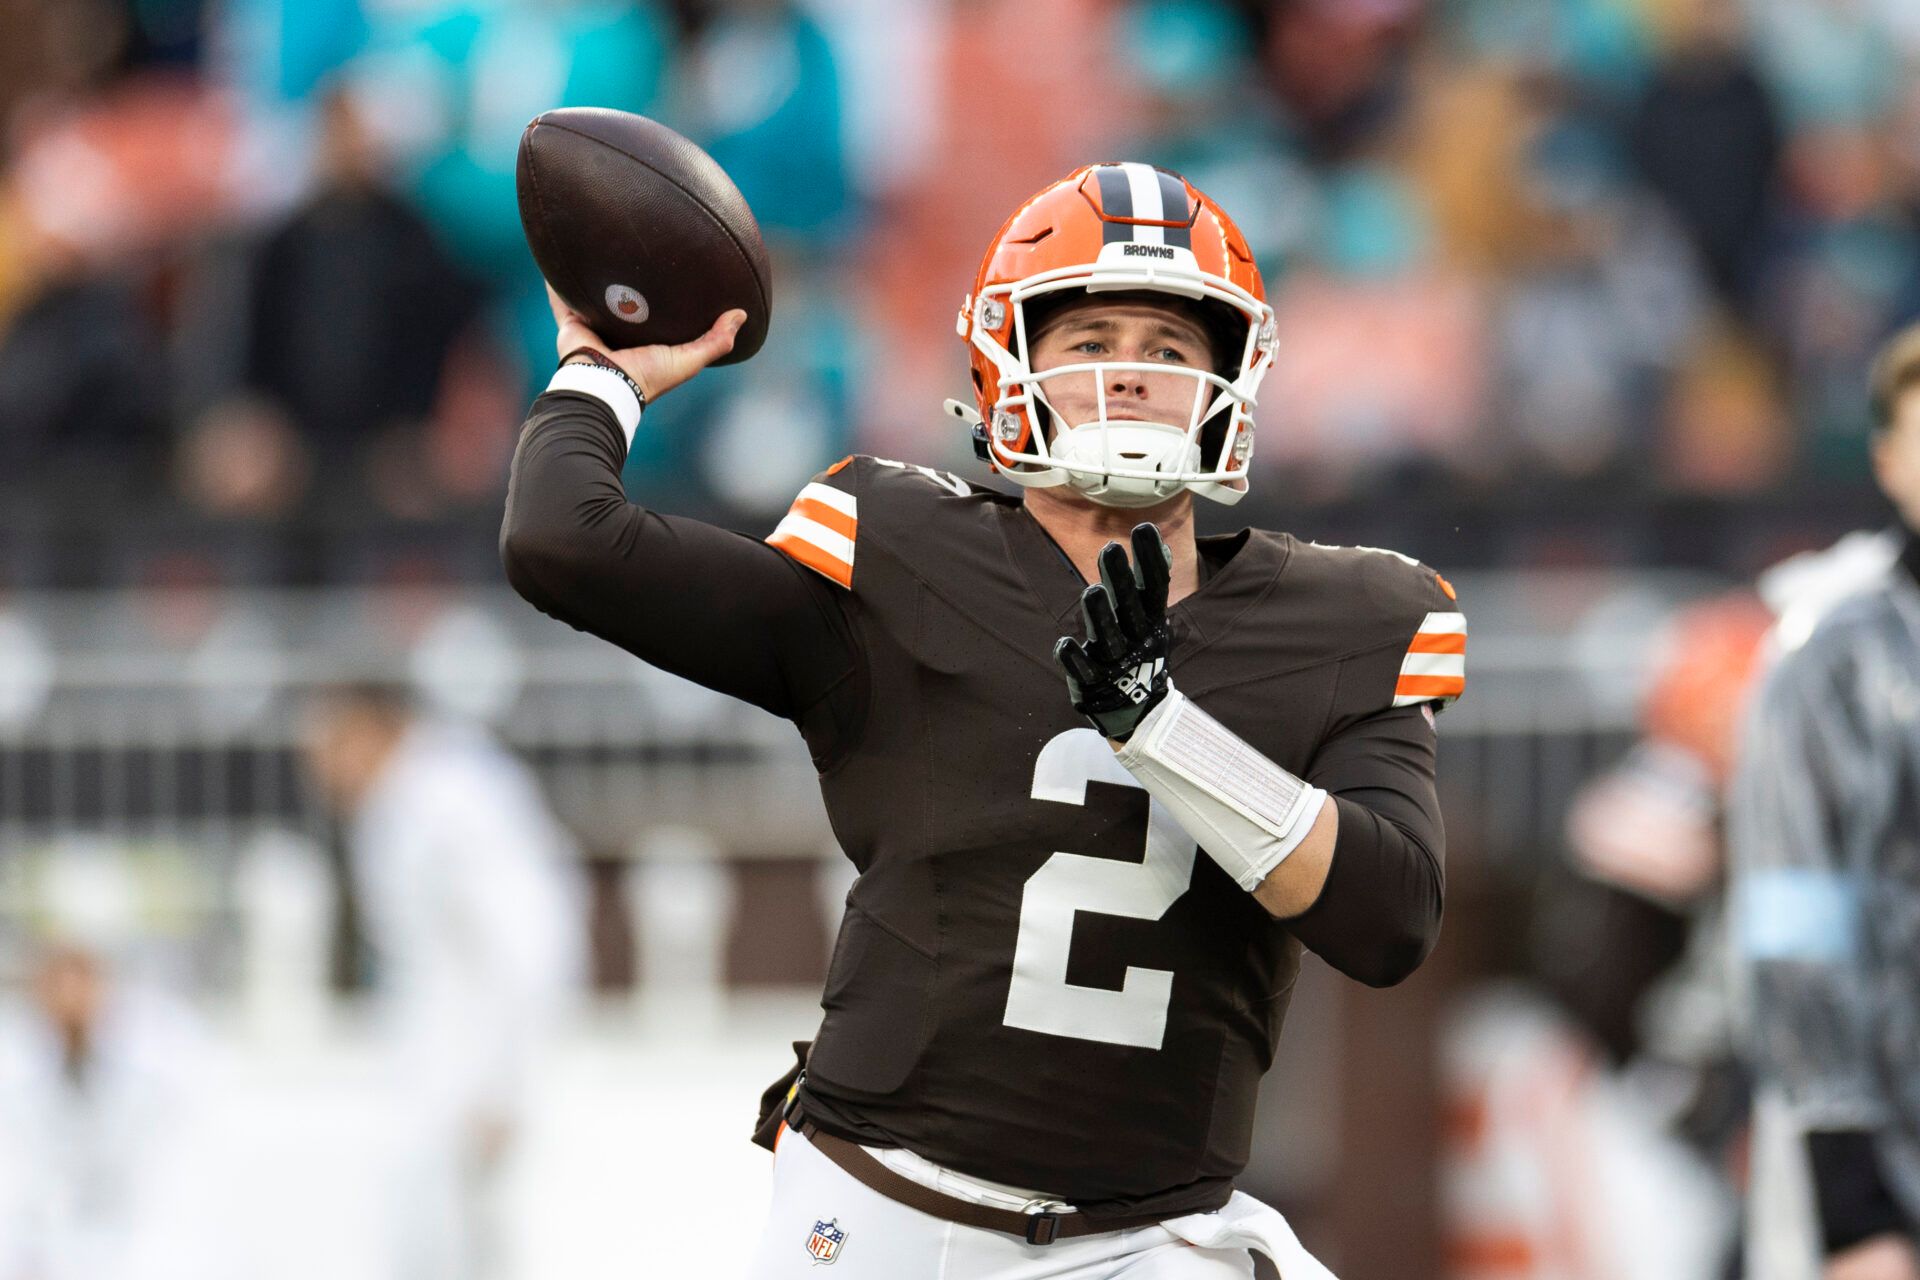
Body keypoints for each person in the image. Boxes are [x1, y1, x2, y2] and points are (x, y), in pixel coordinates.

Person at [501, 162, 1465, 1278]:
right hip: (879, 1214)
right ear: (1011, 362)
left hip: (1150, 1240)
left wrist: (1164, 730)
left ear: (1231, 371)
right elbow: (563, 543)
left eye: (1168, 347)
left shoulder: (1342, 618)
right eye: (1093, 339)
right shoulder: (904, 551)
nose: (1132, 376)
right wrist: (600, 375)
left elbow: (1390, 916)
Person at [1730, 321, 1920, 1280]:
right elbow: (1793, 920)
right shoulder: (1832, 657)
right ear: (1887, 460)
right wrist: (1852, 1199)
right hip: (1894, 1160)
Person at [300, 684, 584, 1280]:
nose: (321, 769)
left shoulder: (455, 799)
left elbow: (528, 941)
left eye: (330, 745)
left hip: (471, 1067)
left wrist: (503, 1086)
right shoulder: (403, 803)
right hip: (433, 1061)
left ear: (372, 727)